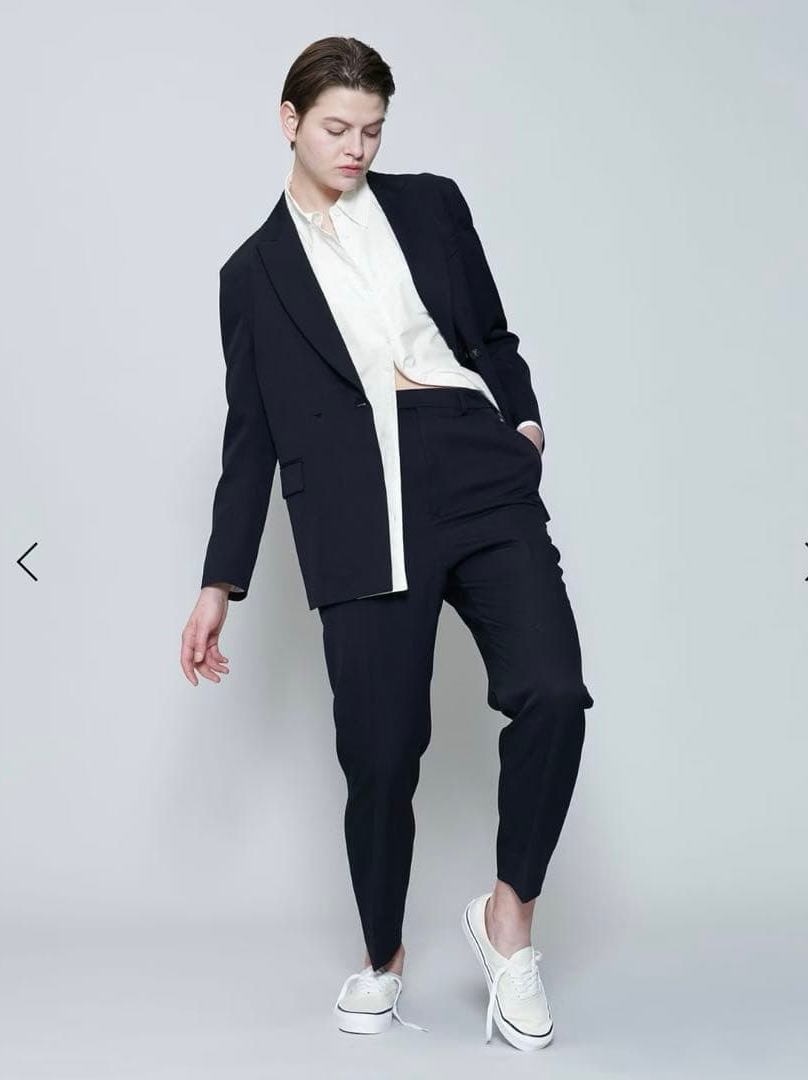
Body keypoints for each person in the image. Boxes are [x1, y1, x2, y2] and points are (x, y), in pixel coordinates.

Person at [180, 36, 595, 1051]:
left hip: (473, 464)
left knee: (552, 691)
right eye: (337, 128)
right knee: (378, 753)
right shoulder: (252, 275)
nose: (356, 148)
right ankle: (382, 957)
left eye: (372, 130)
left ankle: (510, 923)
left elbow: (492, 336)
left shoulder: (433, 205)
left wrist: (524, 425)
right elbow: (250, 437)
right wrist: (220, 582)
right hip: (357, 502)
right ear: (290, 121)